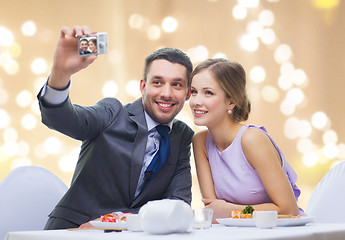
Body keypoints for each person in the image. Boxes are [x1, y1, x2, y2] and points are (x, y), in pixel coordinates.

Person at [37, 26, 194, 229]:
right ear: (143, 87)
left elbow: (177, 204)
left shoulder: (182, 136)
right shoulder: (113, 112)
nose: (166, 93)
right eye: (157, 82)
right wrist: (61, 73)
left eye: (177, 85)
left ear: (188, 93)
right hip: (75, 230)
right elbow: (63, 119)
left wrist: (114, 221)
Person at [189, 58, 303, 221]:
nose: (196, 102)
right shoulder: (200, 142)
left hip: (276, 232)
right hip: (233, 233)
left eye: (208, 93)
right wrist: (226, 212)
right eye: (193, 91)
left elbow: (289, 210)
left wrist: (231, 210)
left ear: (231, 101)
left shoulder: (252, 140)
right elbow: (213, 211)